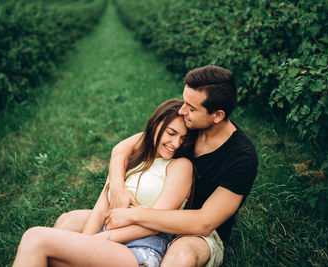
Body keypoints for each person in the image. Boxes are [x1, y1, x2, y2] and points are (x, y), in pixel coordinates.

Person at [55, 65, 258, 267]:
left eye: (192, 108)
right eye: (185, 102)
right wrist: (117, 187)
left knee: (181, 256)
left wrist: (135, 214)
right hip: (152, 211)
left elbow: (203, 222)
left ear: (217, 115)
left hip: (193, 232)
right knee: (67, 221)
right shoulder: (186, 127)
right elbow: (122, 149)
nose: (182, 110)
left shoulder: (241, 158)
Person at [13, 99, 196, 267]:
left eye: (183, 138)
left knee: (35, 237)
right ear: (156, 126)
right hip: (109, 239)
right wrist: (86, 240)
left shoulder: (180, 166)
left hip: (139, 247)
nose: (176, 143)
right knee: (55, 242)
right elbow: (103, 203)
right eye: (171, 133)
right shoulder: (135, 158)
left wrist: (99, 239)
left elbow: (157, 225)